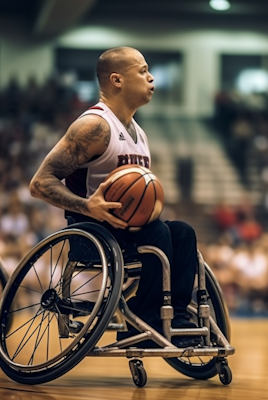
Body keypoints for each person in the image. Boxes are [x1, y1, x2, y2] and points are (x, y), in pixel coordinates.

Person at [29, 47, 200, 347]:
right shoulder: (94, 126)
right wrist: (86, 206)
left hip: (129, 232)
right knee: (158, 232)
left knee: (183, 233)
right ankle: (144, 323)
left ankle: (177, 315)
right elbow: (40, 183)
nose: (151, 77)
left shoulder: (139, 133)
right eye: (142, 70)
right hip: (91, 232)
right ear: (117, 80)